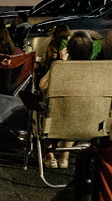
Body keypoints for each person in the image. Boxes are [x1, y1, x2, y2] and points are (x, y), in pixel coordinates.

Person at [38, 31, 96, 169]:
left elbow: (42, 85)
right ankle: (64, 157)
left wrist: (60, 63)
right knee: (75, 110)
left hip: (57, 120)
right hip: (89, 121)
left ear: (69, 49)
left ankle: (50, 156)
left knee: (43, 112)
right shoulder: (99, 70)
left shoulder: (62, 68)